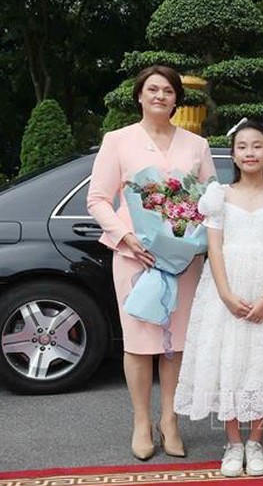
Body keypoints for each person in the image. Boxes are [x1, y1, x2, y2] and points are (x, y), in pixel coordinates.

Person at [87, 65, 216, 460]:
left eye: (168, 91)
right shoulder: (118, 140)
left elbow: (211, 199)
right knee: (141, 342)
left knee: (177, 343)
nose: (160, 96)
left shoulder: (197, 144)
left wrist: (195, 239)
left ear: (177, 99)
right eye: (153, 89)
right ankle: (141, 421)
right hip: (135, 256)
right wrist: (126, 236)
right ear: (140, 96)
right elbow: (98, 199)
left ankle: (170, 420)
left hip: (182, 260)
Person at [174, 120, 263, 477]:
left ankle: (256, 442)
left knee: (262, 362)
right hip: (226, 290)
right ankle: (234, 442)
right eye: (242, 147)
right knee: (229, 361)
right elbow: (215, 249)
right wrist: (225, 294)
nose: (250, 153)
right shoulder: (218, 196)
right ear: (233, 155)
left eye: (257, 146)